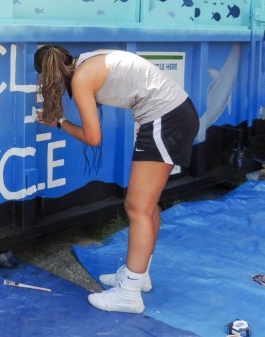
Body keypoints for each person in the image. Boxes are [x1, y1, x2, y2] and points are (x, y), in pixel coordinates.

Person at [34, 45, 199, 314]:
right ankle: (139, 274)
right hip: (171, 115)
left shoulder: (81, 78)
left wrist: (60, 124)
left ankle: (129, 294)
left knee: (137, 208)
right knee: (147, 205)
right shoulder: (89, 60)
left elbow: (93, 138)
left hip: (164, 120)